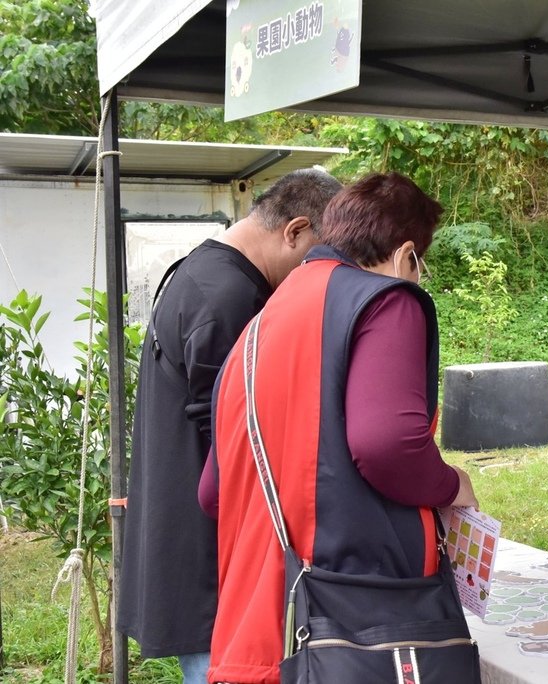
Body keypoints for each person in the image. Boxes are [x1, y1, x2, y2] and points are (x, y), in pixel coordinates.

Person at [202, 172, 479, 684]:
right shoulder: (385, 299)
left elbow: (212, 491)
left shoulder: (258, 326)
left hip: (256, 629)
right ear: (407, 254)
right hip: (349, 629)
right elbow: (386, 444)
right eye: (422, 265)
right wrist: (451, 484)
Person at [117, 168, 343, 683]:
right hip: (211, 561)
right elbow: (242, 444)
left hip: (189, 543)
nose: (323, 274)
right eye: (321, 255)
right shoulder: (230, 298)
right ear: (295, 231)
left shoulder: (200, 270)